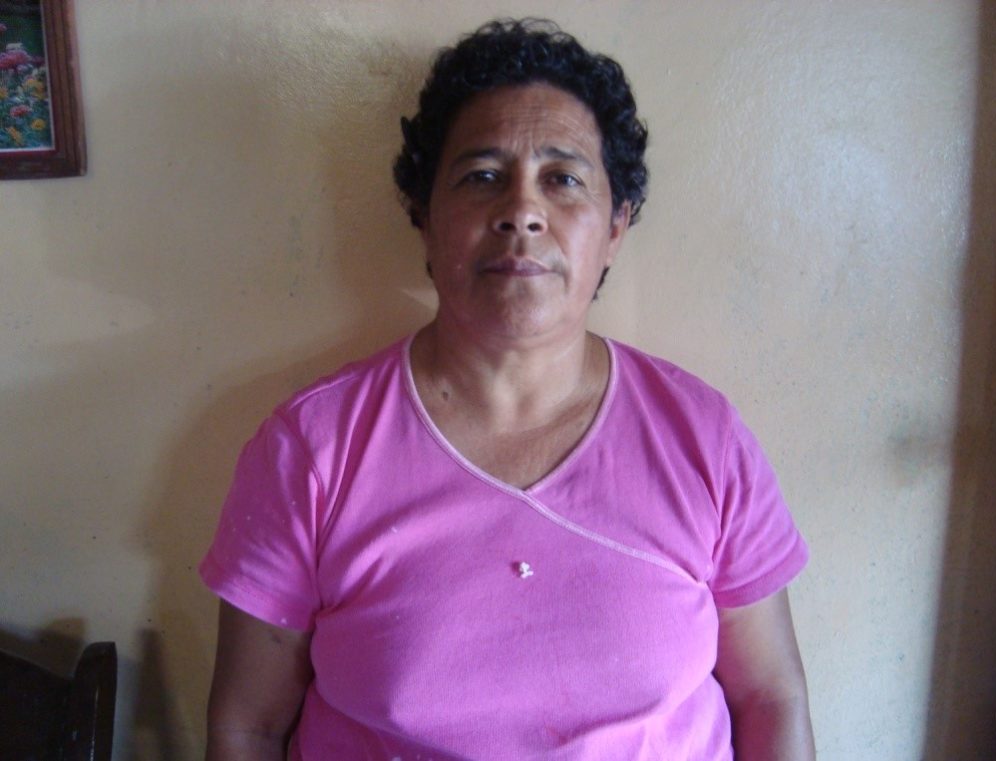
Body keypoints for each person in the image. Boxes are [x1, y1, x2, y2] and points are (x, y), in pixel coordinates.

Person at [201, 18, 814, 761]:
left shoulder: (703, 439)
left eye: (564, 179)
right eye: (483, 176)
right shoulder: (314, 449)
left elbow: (770, 696)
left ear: (616, 226)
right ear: (424, 218)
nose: (522, 211)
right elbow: (250, 725)